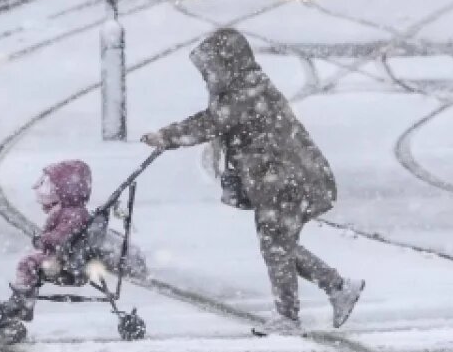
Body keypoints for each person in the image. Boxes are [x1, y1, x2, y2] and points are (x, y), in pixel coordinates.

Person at [141, 28, 365, 335]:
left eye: (211, 69)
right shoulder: (244, 88)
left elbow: (211, 122)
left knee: (276, 246)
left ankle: (292, 315)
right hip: (282, 180)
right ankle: (337, 287)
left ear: (228, 63)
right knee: (279, 246)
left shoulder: (246, 91)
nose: (208, 77)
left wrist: (166, 136)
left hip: (286, 180)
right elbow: (215, 120)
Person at [0, 160, 94, 321]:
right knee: (31, 264)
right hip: (65, 259)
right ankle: (22, 302)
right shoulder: (71, 211)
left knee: (28, 263)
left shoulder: (72, 214)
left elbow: (60, 238)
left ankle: (22, 304)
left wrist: (43, 240)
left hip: (65, 264)